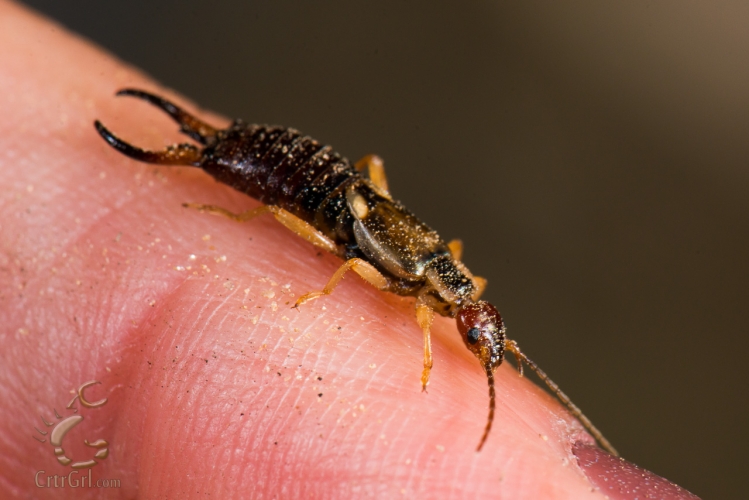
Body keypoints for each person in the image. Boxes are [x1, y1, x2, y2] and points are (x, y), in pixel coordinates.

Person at [0, 1, 699, 498]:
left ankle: (207, 151)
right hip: (316, 194)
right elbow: (359, 264)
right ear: (466, 311)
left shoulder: (445, 270)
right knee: (293, 218)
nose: (470, 332)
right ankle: (211, 157)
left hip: (332, 184)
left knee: (292, 187)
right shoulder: (427, 296)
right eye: (474, 330)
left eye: (476, 334)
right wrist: (343, 304)